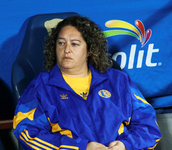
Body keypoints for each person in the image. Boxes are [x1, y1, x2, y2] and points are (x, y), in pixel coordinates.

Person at [13, 15, 161, 150]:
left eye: (75, 44)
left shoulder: (118, 80)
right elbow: (27, 131)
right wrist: (80, 147)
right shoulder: (41, 86)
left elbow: (148, 126)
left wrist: (125, 145)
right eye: (61, 43)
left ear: (89, 50)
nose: (66, 50)